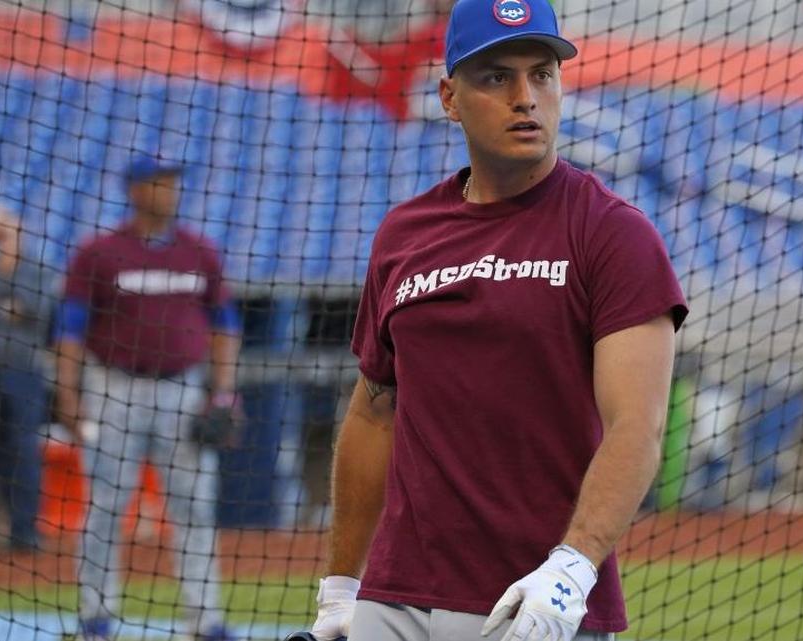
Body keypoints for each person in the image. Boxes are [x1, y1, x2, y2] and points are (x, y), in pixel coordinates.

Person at [307, 1, 688, 640]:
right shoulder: (404, 234)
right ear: (450, 98)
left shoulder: (614, 234)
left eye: (542, 74)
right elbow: (374, 412)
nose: (525, 98)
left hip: (531, 606)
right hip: (392, 602)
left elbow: (636, 427)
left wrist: (569, 573)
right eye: (496, 78)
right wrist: (342, 589)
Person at [55, 157, 243, 641]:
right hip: (114, 389)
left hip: (183, 389)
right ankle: (96, 617)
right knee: (106, 507)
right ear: (135, 190)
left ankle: (206, 621)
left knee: (195, 506)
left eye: (174, 184)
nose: (170, 192)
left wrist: (223, 392)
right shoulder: (100, 252)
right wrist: (69, 395)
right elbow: (71, 331)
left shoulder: (199, 251)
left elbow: (225, 326)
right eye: (160, 183)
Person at [0, 203, 53, 553]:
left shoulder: (35, 270)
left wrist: (9, 297)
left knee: (21, 449)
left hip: (24, 372)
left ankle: (25, 529)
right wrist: (4, 304)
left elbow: (34, 311)